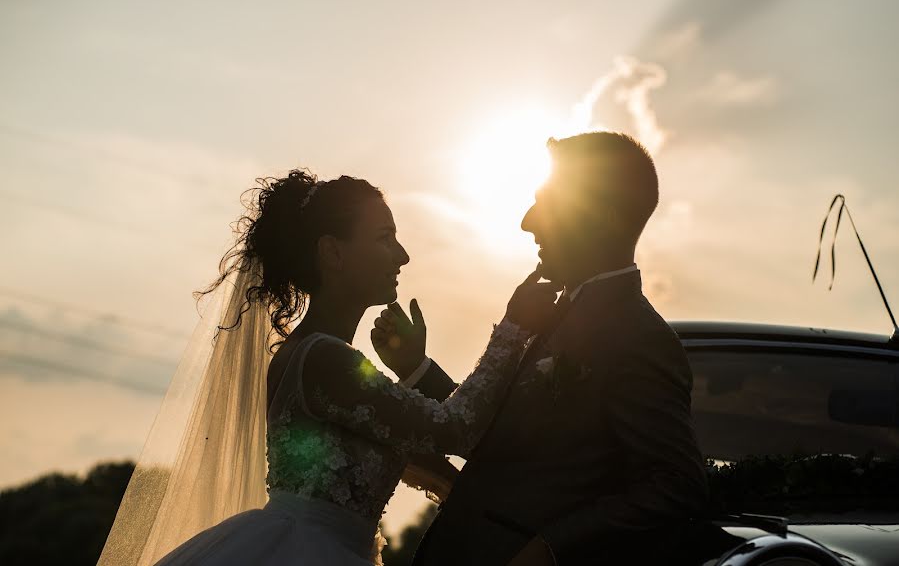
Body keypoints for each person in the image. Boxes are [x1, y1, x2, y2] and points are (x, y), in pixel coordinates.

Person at [98, 170, 561, 565]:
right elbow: (455, 428)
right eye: (385, 239)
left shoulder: (316, 357)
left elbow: (416, 455)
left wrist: (415, 371)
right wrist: (513, 327)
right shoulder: (324, 360)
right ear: (333, 253)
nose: (402, 256)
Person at [373, 132, 710, 565]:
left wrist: (553, 548)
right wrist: (417, 369)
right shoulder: (551, 313)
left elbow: (677, 484)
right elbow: (501, 440)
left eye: (547, 203)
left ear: (601, 216)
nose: (527, 222)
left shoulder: (640, 338)